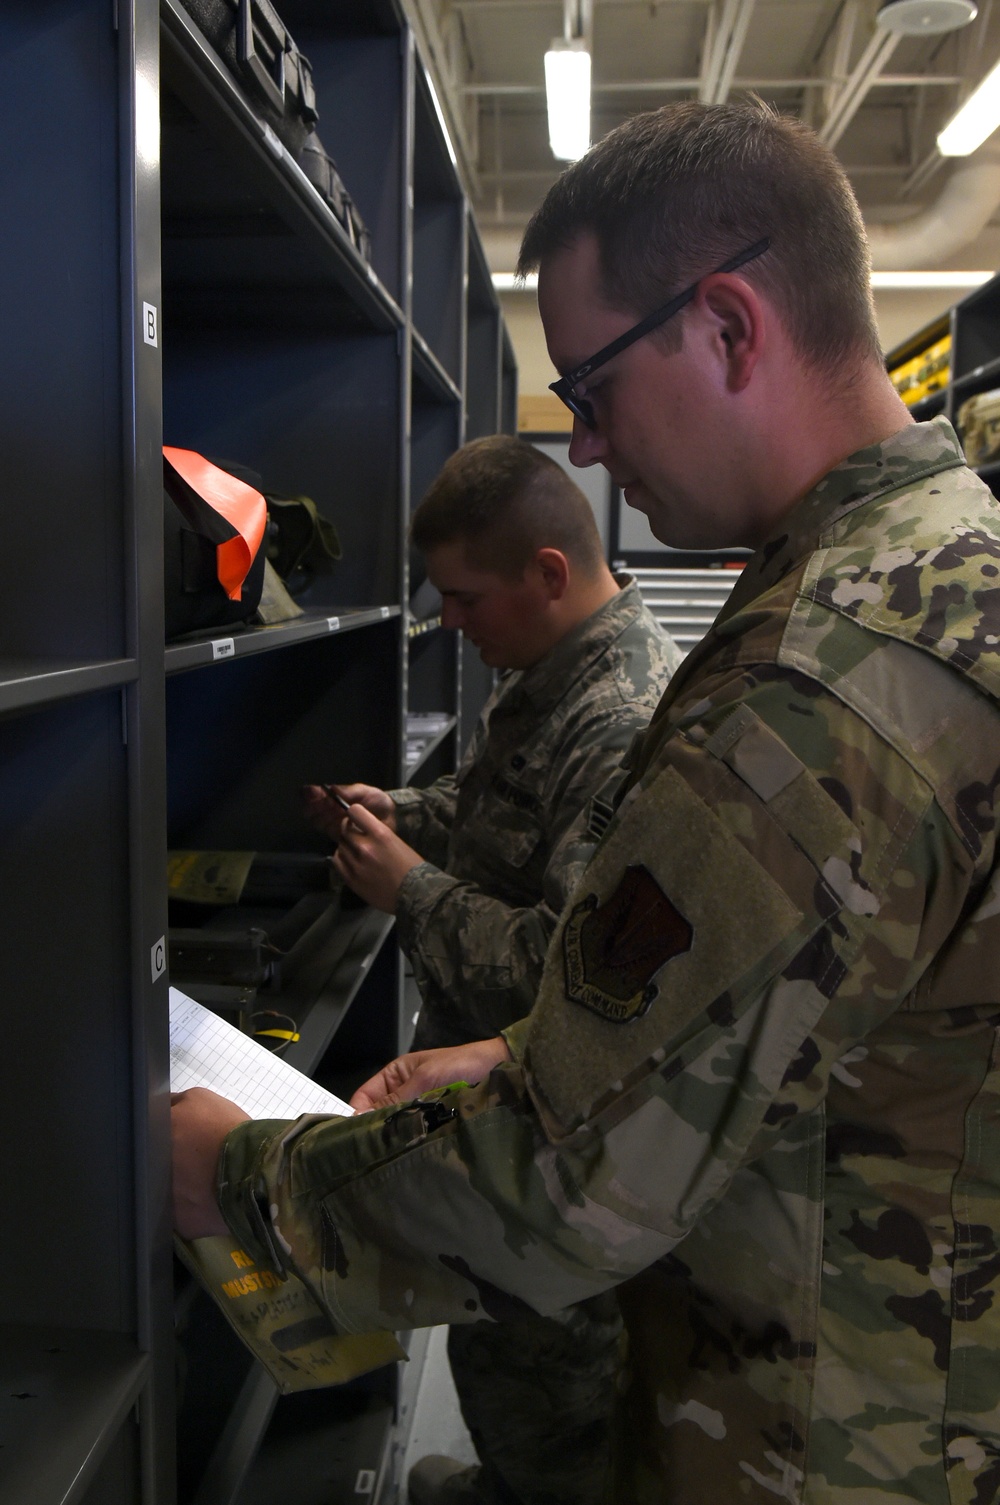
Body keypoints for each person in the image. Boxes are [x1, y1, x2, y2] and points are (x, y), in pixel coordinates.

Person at [173, 97, 1000, 1505]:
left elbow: (568, 1188)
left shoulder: (820, 680)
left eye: (596, 388)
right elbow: (842, 1008)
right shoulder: (943, 565)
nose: (593, 450)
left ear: (730, 326)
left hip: (817, 1437)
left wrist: (241, 1175)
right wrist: (532, 1055)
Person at [302, 433, 680, 1505]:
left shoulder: (617, 719)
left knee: (551, 1384)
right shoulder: (559, 668)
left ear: (547, 574)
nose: (450, 621)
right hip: (499, 1125)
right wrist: (402, 814)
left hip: (554, 1143)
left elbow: (570, 990)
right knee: (497, 1360)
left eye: (465, 597)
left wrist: (409, 886)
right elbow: (501, 812)